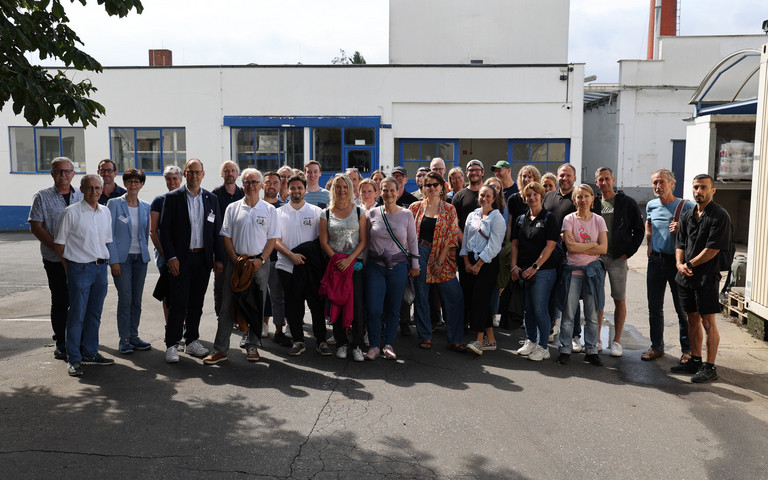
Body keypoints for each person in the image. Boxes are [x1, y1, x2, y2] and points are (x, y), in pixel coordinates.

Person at [203, 168, 278, 364]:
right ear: (242, 184)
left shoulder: (269, 210)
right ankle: (220, 349)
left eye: (254, 182)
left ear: (261, 185)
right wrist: (235, 259)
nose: (250, 186)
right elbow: (226, 236)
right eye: (246, 182)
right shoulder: (232, 208)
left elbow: (272, 239)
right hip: (236, 264)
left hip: (259, 265)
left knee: (256, 306)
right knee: (226, 306)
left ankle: (252, 346)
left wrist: (260, 260)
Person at [160, 159, 225, 363]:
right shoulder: (172, 198)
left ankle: (192, 341)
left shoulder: (211, 198)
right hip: (181, 258)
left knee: (196, 302)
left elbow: (217, 232)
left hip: (203, 258)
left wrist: (219, 259)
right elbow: (165, 230)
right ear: (185, 174)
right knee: (178, 302)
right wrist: (170, 257)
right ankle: (171, 345)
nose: (194, 176)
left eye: (198, 172)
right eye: (191, 172)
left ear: (203, 174)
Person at [54, 174, 114, 376]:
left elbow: (106, 241)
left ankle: (90, 353)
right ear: (81, 189)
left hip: (100, 269)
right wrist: (68, 267)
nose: (95, 191)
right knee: (76, 316)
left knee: (94, 315)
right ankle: (74, 358)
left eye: (98, 188)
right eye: (90, 188)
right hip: (79, 268)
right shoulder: (70, 212)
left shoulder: (105, 212)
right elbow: (59, 244)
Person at [674, 174, 731, 383]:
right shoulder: (688, 215)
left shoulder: (719, 215)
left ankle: (710, 367)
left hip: (706, 276)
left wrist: (689, 264)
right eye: (696, 187)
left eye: (704, 187)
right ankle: (695, 360)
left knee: (708, 321)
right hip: (686, 276)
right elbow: (680, 243)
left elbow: (713, 248)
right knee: (691, 318)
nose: (699, 191)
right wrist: (680, 265)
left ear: (713, 190)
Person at [29, 157, 84, 360]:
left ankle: (78, 339)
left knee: (79, 300)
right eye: (59, 171)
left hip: (79, 258)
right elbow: (36, 226)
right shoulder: (42, 197)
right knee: (60, 300)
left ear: (73, 174)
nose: (63, 175)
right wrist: (58, 248)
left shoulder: (82, 194)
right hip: (53, 258)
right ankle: (61, 342)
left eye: (67, 171)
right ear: (52, 173)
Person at [409, 172, 466, 352]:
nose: (432, 188)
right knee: (422, 296)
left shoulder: (449, 209)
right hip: (420, 252)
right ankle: (425, 335)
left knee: (454, 296)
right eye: (428, 185)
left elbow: (451, 237)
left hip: (444, 255)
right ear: (424, 188)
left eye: (435, 184)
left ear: (442, 187)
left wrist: (440, 260)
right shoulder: (415, 207)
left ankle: (454, 339)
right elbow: (409, 235)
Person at [365, 176, 419, 360]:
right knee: (374, 308)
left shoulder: (406, 214)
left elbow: (412, 242)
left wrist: (415, 265)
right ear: (380, 192)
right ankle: (373, 345)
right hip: (375, 267)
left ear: (397, 192)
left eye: (392, 190)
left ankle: (388, 344)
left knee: (394, 308)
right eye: (385, 190)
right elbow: (365, 243)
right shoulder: (371, 214)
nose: (388, 193)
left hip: (398, 267)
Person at [593, 167, 644, 357]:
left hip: (617, 259)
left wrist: (627, 253)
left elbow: (638, 230)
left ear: (613, 180)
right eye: (600, 179)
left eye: (607, 179)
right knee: (597, 300)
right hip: (596, 258)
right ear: (596, 182)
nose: (604, 182)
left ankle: (616, 341)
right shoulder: (593, 202)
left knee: (619, 299)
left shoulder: (627, 203)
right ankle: (597, 339)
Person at [643, 169, 693, 364]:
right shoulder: (651, 205)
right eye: (655, 182)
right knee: (654, 307)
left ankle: (687, 350)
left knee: (681, 308)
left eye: (662, 182)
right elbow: (649, 224)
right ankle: (657, 347)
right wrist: (649, 244)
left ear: (673, 184)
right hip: (655, 261)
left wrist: (682, 228)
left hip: (676, 263)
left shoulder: (686, 205)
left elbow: (698, 230)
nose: (658, 186)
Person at [274, 174, 326, 356]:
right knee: (293, 305)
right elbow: (275, 240)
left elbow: (321, 239)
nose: (296, 191)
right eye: (292, 188)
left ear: (305, 189)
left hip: (310, 268)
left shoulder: (316, 212)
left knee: (316, 305)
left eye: (299, 187)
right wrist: (291, 255)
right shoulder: (278, 212)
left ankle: (321, 341)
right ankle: (298, 341)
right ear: (287, 190)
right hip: (287, 266)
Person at [557, 184, 607, 366]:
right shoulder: (569, 219)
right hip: (573, 271)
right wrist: (592, 245)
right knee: (569, 313)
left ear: (592, 198)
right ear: (574, 199)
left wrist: (581, 246)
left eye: (586, 196)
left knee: (592, 314)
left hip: (592, 273)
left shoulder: (599, 220)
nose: (583, 200)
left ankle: (591, 350)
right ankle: (564, 349)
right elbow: (570, 247)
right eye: (579, 197)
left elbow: (604, 248)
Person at [319, 174, 368, 360]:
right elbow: (324, 242)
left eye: (345, 187)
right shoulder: (325, 213)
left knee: (356, 305)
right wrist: (338, 261)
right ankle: (341, 343)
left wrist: (349, 261)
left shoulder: (359, 212)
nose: (341, 190)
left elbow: (363, 241)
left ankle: (356, 345)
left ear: (350, 189)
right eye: (338, 187)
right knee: (337, 304)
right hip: (335, 267)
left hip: (355, 266)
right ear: (333, 190)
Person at [510, 182, 560, 361]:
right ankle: (531, 341)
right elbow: (515, 244)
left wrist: (535, 267)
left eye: (534, 194)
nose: (531, 198)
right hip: (524, 270)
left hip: (543, 271)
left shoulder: (549, 218)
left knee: (540, 309)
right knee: (528, 310)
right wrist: (514, 266)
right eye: (528, 195)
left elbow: (550, 245)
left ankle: (543, 347)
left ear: (541, 196)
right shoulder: (521, 219)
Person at [106, 169, 152, 354]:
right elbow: (107, 233)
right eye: (130, 181)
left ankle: (134, 335)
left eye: (137, 181)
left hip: (140, 258)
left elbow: (146, 232)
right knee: (125, 299)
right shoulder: (114, 204)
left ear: (142, 184)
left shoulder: (146, 206)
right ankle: (124, 339)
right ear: (124, 183)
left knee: (137, 300)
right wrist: (114, 260)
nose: (133, 184)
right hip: (122, 260)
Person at [460, 184, 506, 356]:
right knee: (478, 300)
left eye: (488, 196)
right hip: (470, 261)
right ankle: (491, 340)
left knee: (479, 300)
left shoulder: (497, 218)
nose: (484, 199)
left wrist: (478, 265)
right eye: (481, 195)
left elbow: (494, 246)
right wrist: (466, 261)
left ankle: (479, 341)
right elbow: (465, 240)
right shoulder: (472, 215)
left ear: (494, 199)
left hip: (487, 263)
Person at [452, 159, 485, 326]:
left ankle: (479, 324)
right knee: (465, 288)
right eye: (471, 170)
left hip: (485, 253)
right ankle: (464, 322)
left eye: (477, 170)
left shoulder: (489, 194)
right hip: (464, 251)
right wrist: (466, 244)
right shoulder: (459, 196)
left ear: (482, 173)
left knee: (481, 290)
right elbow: (454, 223)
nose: (474, 172)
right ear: (467, 173)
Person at [149, 165, 183, 325]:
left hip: (185, 255)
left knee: (184, 293)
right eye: (168, 179)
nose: (171, 182)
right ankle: (170, 327)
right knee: (168, 293)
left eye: (174, 178)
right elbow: (153, 231)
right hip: (165, 255)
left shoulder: (186, 199)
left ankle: (183, 325)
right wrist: (167, 256)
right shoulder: (159, 201)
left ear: (181, 180)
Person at [211, 161, 244, 317]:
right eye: (226, 170)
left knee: (240, 283)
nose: (230, 173)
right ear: (222, 174)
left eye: (233, 170)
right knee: (221, 284)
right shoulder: (215, 195)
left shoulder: (244, 193)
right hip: (221, 248)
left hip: (241, 247)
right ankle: (221, 315)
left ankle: (237, 316)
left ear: (237, 174)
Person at [261, 171, 289, 345]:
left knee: (278, 296)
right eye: (268, 182)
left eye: (275, 183)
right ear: (263, 185)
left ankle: (280, 328)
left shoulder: (284, 208)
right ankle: (262, 325)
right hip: (258, 258)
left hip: (278, 259)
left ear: (280, 186)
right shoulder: (256, 206)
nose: (271, 185)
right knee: (259, 296)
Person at [505, 165, 541, 233]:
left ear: (535, 179)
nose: (526, 179)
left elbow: (541, 221)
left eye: (530, 177)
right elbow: (509, 223)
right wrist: (508, 241)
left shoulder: (539, 198)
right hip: (516, 238)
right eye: (524, 176)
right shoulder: (513, 199)